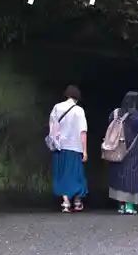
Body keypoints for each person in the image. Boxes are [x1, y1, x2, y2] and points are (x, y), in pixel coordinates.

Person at [49, 85, 88, 213]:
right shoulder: (79, 111)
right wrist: (85, 151)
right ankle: (77, 202)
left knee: (62, 175)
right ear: (77, 97)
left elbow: (52, 128)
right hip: (75, 147)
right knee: (77, 176)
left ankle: (66, 202)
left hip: (60, 147)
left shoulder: (57, 107)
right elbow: (83, 132)